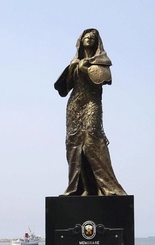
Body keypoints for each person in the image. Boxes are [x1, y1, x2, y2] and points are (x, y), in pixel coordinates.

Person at [54, 28, 126, 196]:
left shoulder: (101, 61)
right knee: (73, 141)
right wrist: (73, 68)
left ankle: (106, 188)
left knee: (93, 139)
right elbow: (63, 88)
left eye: (92, 37)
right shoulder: (74, 61)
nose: (89, 39)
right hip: (74, 105)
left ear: (97, 42)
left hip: (92, 103)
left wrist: (86, 69)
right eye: (86, 37)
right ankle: (80, 187)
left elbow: (103, 79)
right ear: (80, 40)